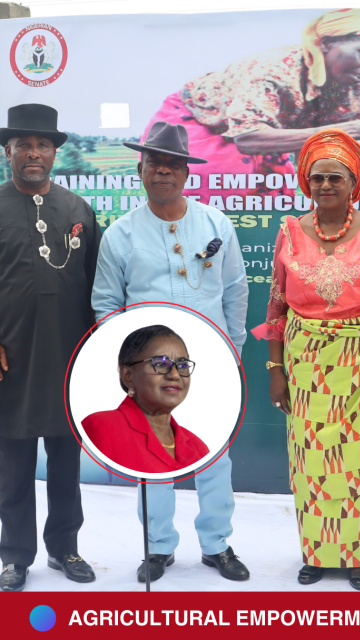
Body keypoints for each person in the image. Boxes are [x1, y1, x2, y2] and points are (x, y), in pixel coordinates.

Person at [252, 128, 360, 590]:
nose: (325, 185)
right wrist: (275, 370)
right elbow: (276, 308)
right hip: (306, 369)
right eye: (317, 177)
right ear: (306, 182)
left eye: (336, 177)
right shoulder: (289, 232)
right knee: (313, 462)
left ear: (354, 184)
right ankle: (317, 551)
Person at [91, 121, 249, 583]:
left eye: (172, 165)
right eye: (154, 164)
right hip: (152, 368)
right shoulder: (121, 234)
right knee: (152, 457)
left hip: (210, 360)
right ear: (140, 170)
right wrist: (129, 365)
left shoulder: (215, 224)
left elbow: (235, 291)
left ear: (186, 172)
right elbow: (106, 303)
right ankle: (158, 547)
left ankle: (217, 545)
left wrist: (233, 351)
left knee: (214, 456)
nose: (163, 171)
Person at [142, 8, 360, 206]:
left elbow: (318, 146)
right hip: (201, 123)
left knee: (275, 204)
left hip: (269, 134)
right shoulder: (274, 70)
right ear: (327, 43)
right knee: (220, 192)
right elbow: (248, 139)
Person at [0, 104, 101, 591]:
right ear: (8, 152)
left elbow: (98, 285)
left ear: (55, 153)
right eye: (24, 145)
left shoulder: (78, 210)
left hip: (69, 356)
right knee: (13, 463)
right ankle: (16, 556)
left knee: (65, 461)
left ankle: (65, 548)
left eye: (43, 145)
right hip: (11, 359)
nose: (34, 153)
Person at [82, 325, 210, 474]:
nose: (175, 375)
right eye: (161, 364)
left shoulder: (199, 448)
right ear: (128, 375)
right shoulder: (101, 428)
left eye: (182, 365)